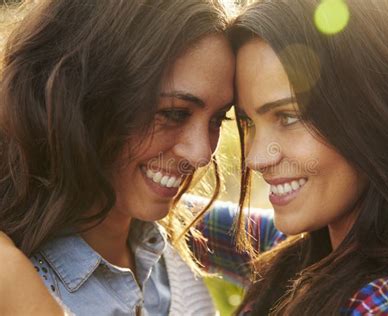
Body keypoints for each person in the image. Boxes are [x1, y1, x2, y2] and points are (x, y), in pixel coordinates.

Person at [0, 0, 283, 315]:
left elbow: (299, 242)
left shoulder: (180, 232)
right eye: (174, 113)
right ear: (84, 97)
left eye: (218, 119)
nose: (202, 154)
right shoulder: (16, 282)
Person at [228, 0, 388, 314]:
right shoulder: (315, 248)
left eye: (288, 117)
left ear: (380, 113)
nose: (256, 158)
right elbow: (198, 226)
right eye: (248, 121)